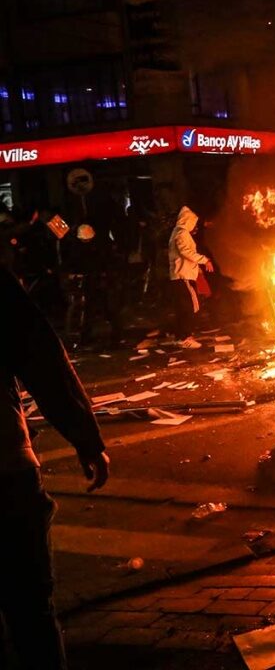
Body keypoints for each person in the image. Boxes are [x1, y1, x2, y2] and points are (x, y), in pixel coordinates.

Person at [1, 265, 109, 669]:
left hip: (8, 470)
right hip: (6, 474)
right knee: (31, 612)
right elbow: (43, 361)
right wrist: (86, 439)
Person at [168, 206, 214, 349]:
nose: (194, 225)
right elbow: (186, 252)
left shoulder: (178, 232)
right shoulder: (181, 233)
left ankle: (181, 336)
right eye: (193, 222)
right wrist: (204, 260)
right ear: (187, 220)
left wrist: (198, 269)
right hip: (184, 276)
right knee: (191, 307)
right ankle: (185, 337)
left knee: (184, 307)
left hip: (183, 275)